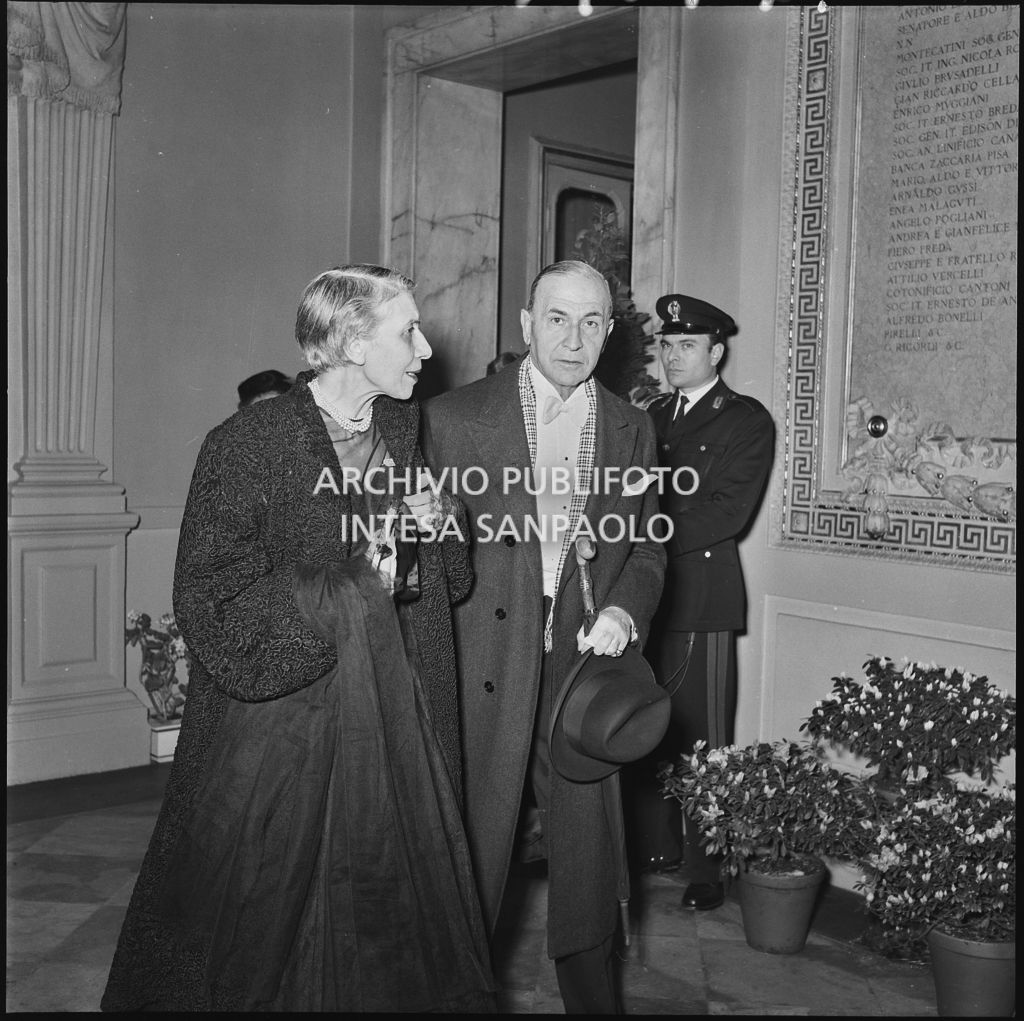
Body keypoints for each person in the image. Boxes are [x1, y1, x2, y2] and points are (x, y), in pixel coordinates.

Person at [101, 265, 496, 1012]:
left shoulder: (404, 425)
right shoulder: (248, 443)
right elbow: (208, 598)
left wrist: (441, 524)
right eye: (407, 330)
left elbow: (444, 580)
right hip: (279, 741)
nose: (424, 348)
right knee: (263, 938)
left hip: (395, 725)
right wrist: (348, 588)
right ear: (349, 340)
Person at [421, 260, 666, 1014]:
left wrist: (623, 611)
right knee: (472, 854)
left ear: (610, 334)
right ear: (526, 325)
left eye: (593, 322)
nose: (574, 337)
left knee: (588, 858)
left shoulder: (630, 425)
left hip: (580, 664)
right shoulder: (453, 418)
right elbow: (424, 560)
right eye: (557, 318)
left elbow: (650, 547)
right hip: (482, 659)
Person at [626, 292, 775, 911]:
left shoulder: (744, 420)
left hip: (700, 597)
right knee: (642, 725)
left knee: (704, 737)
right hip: (639, 597)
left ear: (716, 351)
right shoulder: (648, 416)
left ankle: (707, 868)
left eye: (687, 344)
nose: (673, 354)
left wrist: (642, 539)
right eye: (666, 343)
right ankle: (654, 848)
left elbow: (727, 513)